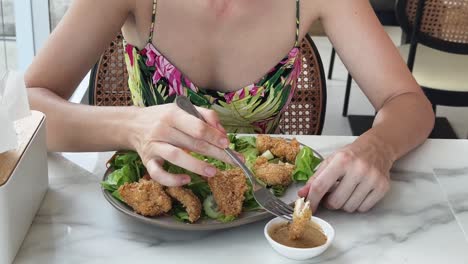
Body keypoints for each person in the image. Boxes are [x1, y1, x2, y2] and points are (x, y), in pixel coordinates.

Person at [25, 0, 434, 213]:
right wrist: (132, 126)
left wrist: (378, 146)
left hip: (261, 216)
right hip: (152, 216)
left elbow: (409, 103)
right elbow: (20, 108)